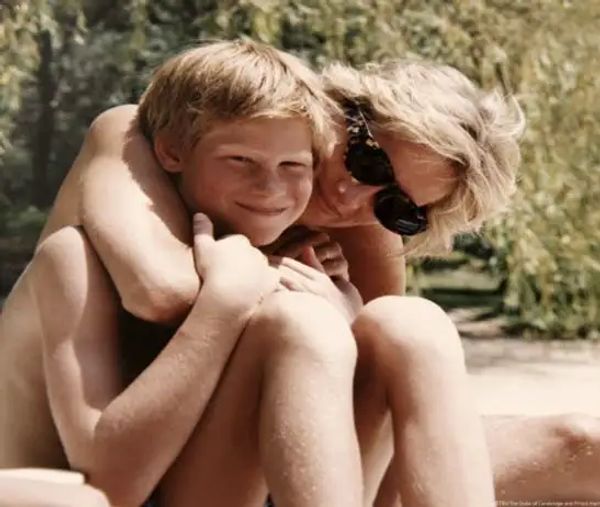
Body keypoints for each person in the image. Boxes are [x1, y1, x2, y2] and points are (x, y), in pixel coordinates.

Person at [58, 51, 600, 503]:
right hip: (155, 466)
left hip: (297, 471)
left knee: (416, 326)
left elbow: (376, 394)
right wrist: (262, 273)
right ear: (339, 108)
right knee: (300, 320)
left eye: (397, 207)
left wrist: (349, 319)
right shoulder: (144, 139)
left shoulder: (366, 238)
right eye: (367, 162)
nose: (350, 198)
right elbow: (157, 292)